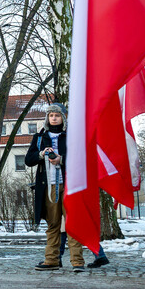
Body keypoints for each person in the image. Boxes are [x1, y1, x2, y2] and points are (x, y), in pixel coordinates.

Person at [26, 104, 85, 272]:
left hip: (69, 186)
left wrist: (62, 159)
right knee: (53, 225)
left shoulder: (71, 136)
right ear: (47, 118)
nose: (53, 118)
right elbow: (28, 160)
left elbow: (81, 158)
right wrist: (41, 154)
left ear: (62, 118)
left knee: (73, 225)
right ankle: (51, 260)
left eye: (57, 115)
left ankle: (77, 262)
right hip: (48, 187)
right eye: (51, 115)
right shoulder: (39, 138)